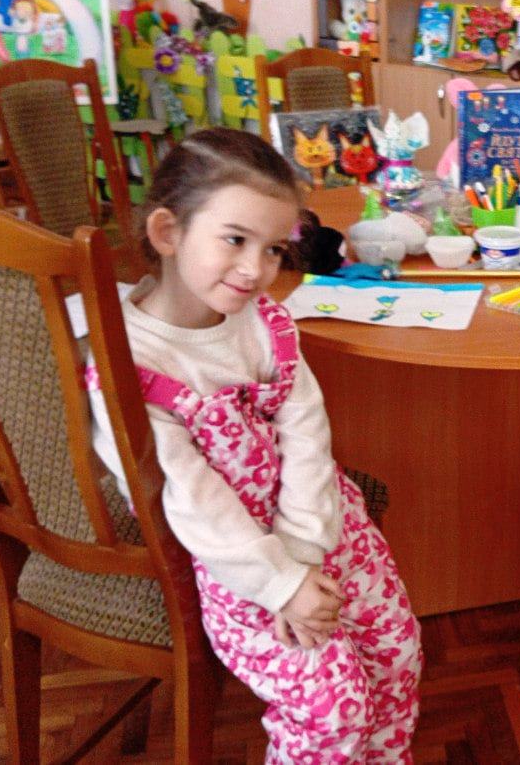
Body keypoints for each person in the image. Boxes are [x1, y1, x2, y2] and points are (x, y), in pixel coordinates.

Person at [87, 129, 421, 761]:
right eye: (235, 240)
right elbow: (193, 503)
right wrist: (284, 583)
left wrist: (307, 547)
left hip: (325, 526)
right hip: (242, 571)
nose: (255, 269)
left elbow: (307, 432)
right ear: (167, 232)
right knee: (331, 709)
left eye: (272, 249)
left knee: (397, 655)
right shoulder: (131, 364)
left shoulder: (265, 321)